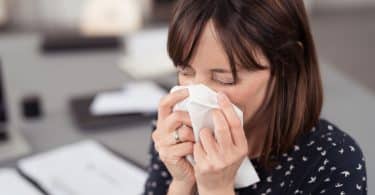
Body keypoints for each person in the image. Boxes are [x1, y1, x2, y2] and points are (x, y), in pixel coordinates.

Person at [144, 0, 367, 194]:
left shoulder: (332, 161)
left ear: (287, 65)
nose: (196, 94)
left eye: (225, 79)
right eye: (185, 71)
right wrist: (183, 182)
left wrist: (216, 189)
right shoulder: (174, 131)